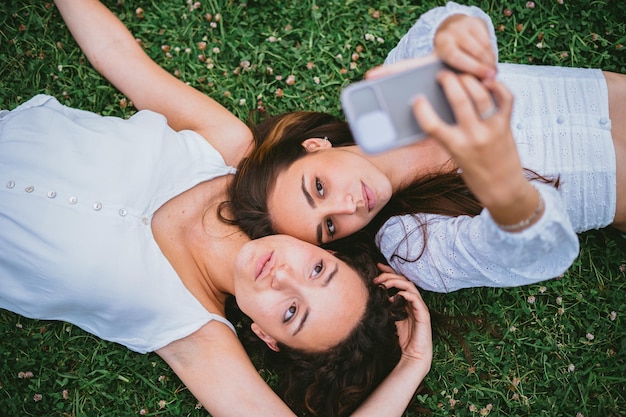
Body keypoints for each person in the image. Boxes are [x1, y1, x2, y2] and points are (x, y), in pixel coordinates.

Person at [0, 1, 433, 417]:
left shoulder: (192, 333)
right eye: (318, 271)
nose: (281, 278)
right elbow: (115, 55)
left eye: (290, 312)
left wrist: (414, 363)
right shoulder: (225, 150)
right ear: (327, 250)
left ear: (267, 337)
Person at [225, 2, 626, 293]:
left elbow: (456, 21)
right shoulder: (411, 244)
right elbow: (538, 253)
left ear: (313, 146)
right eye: (329, 227)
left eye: (319, 188)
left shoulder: (391, 96)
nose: (348, 208)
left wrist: (457, 33)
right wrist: (503, 188)